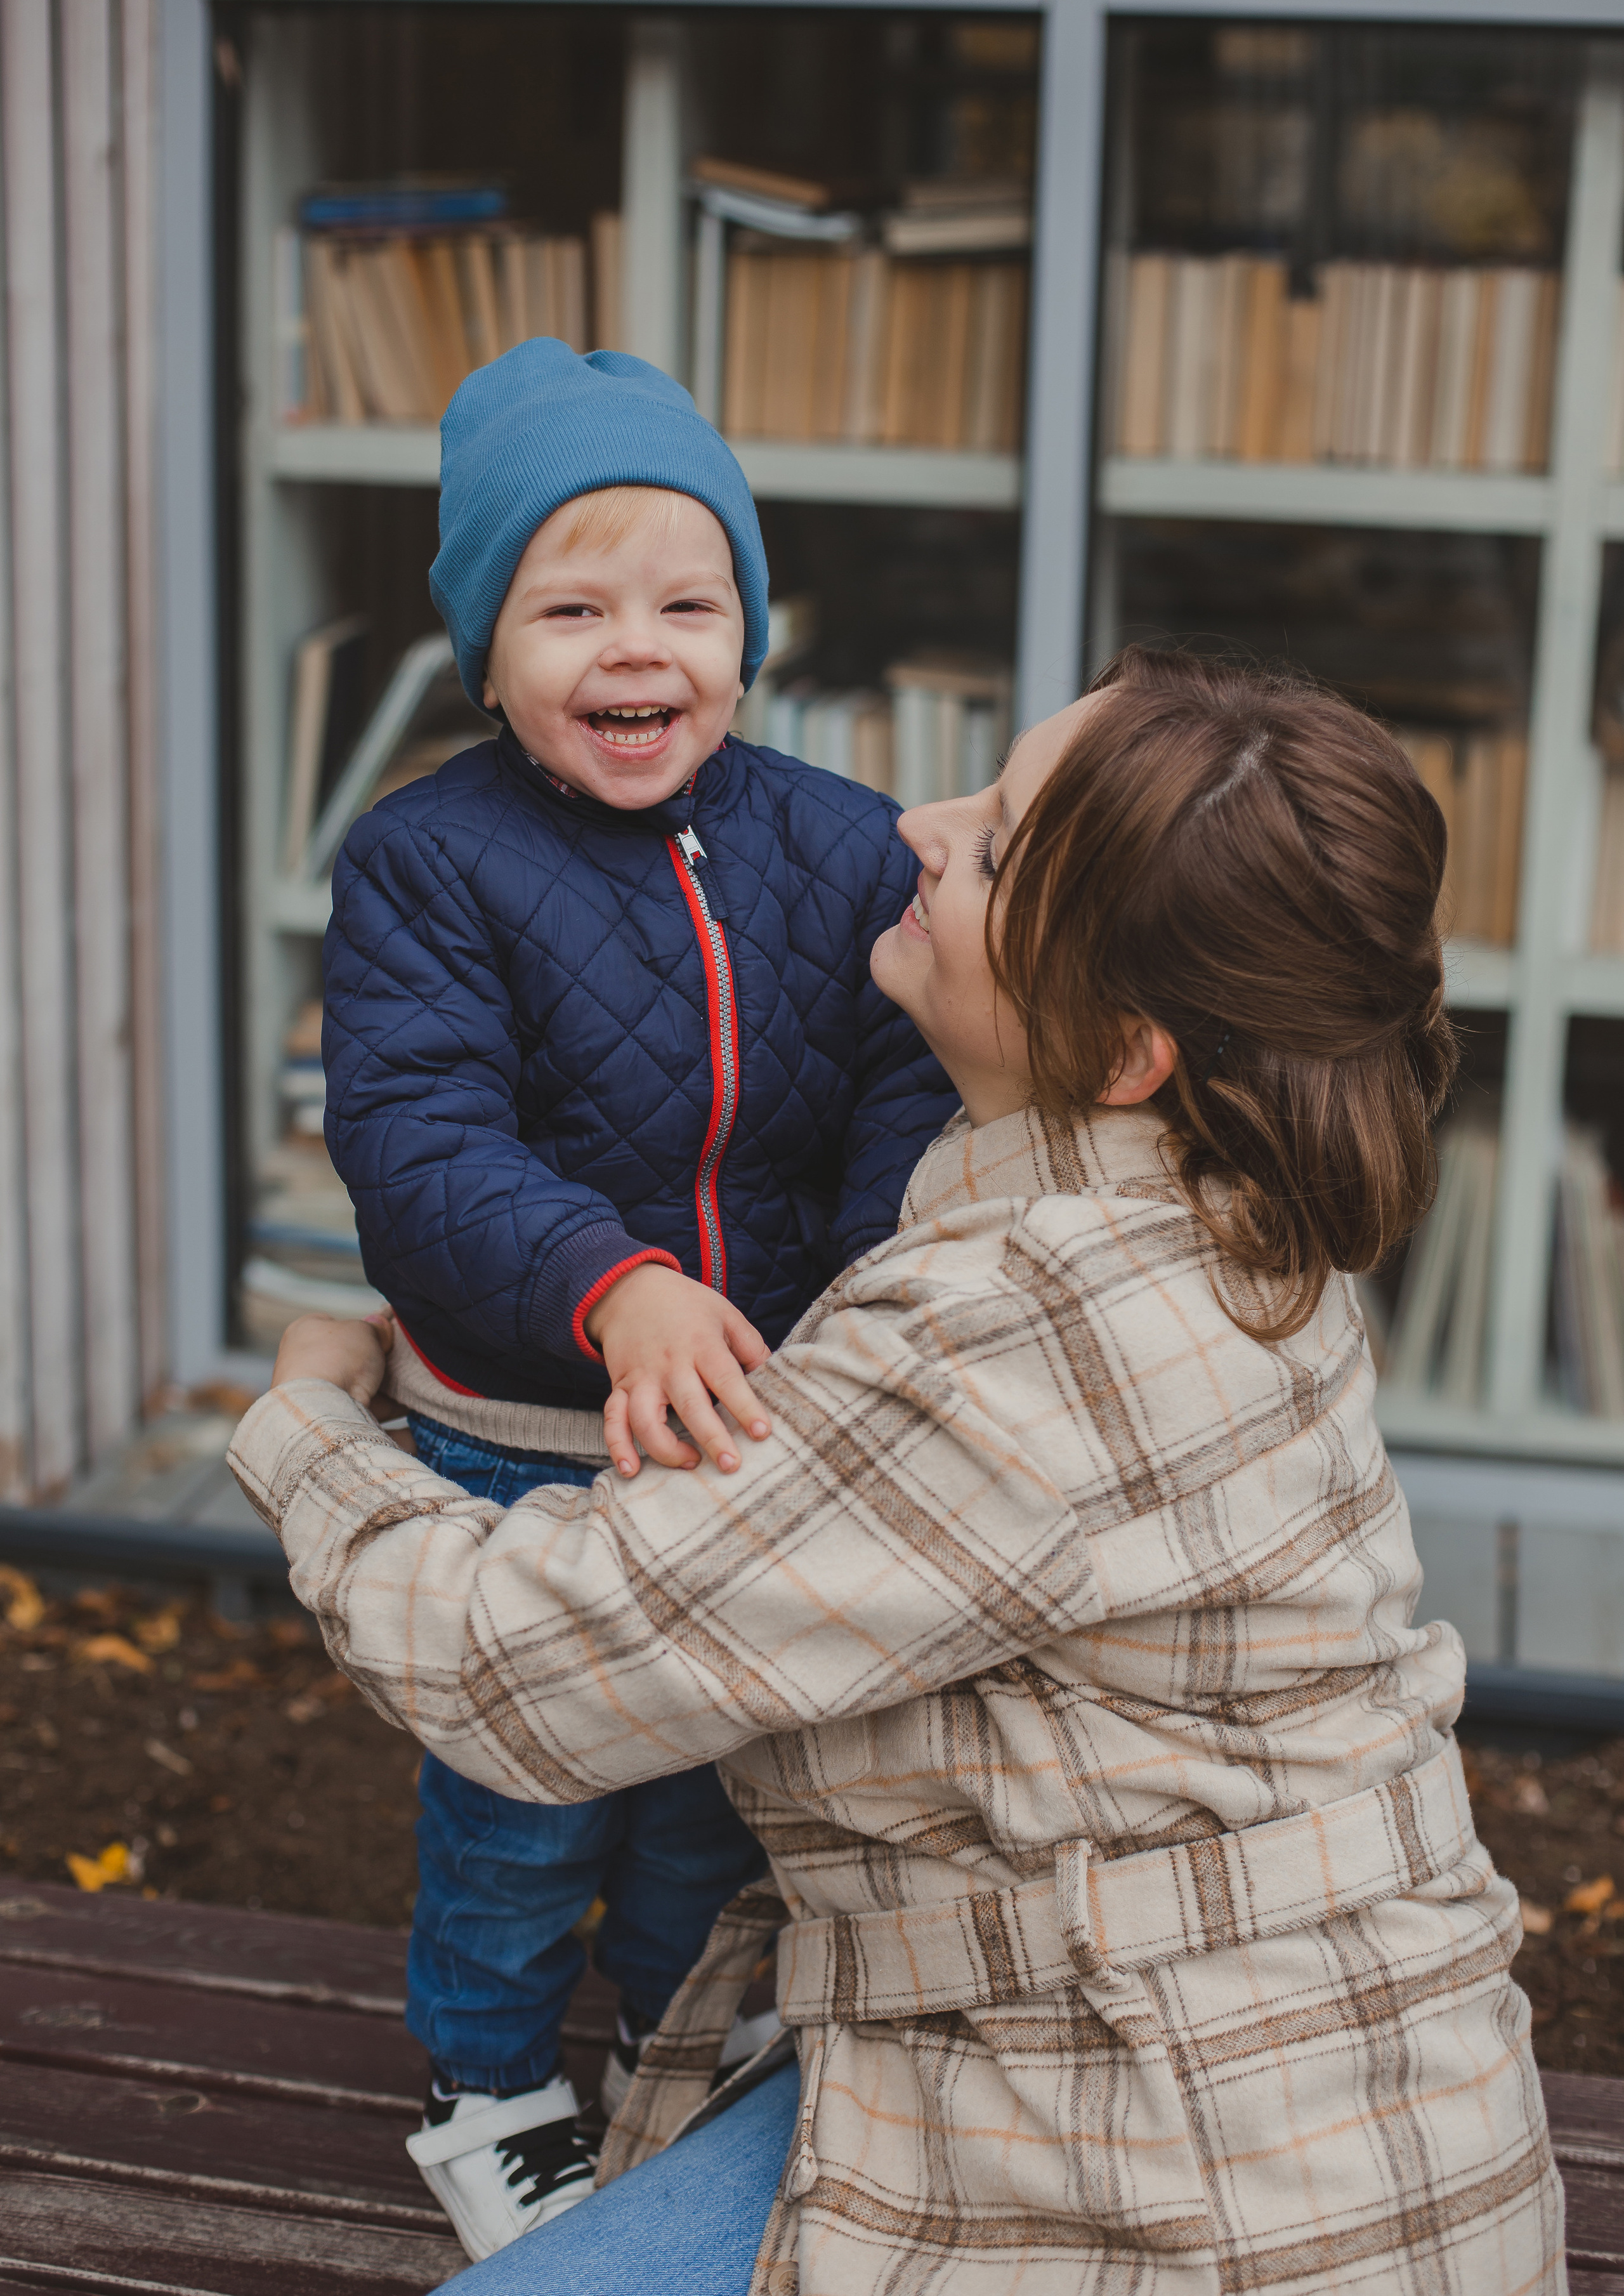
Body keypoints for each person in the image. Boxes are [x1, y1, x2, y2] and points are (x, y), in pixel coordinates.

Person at [237, 650, 1563, 2296]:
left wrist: (307, 1425)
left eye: (998, 842)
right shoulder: (1227, 1212)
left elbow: (518, 1668)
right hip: (1323, 2083)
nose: (920, 828)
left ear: (1130, 1044)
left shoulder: (1016, 1339)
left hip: (1197, 2190)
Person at [318, 337, 955, 2254]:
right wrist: (617, 1288)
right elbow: (421, 1141)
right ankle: (489, 2077)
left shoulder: (837, 846)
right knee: (522, 1809)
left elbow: (912, 1088)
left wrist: (860, 1298)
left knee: (714, 1794)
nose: (638, 651)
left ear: (749, 631)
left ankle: (681, 2058)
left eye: (691, 602)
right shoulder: (427, 863)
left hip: (752, 1434)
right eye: (571, 605)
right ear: (485, 649)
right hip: (526, 1434)